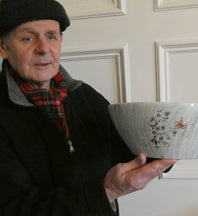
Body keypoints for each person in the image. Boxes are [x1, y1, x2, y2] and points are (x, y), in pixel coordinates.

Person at [0, 0, 176, 215]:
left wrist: (167, 142)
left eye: (51, 36)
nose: (44, 49)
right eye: (28, 38)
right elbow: (12, 207)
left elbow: (124, 150)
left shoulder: (85, 95)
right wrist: (107, 190)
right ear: (3, 47)